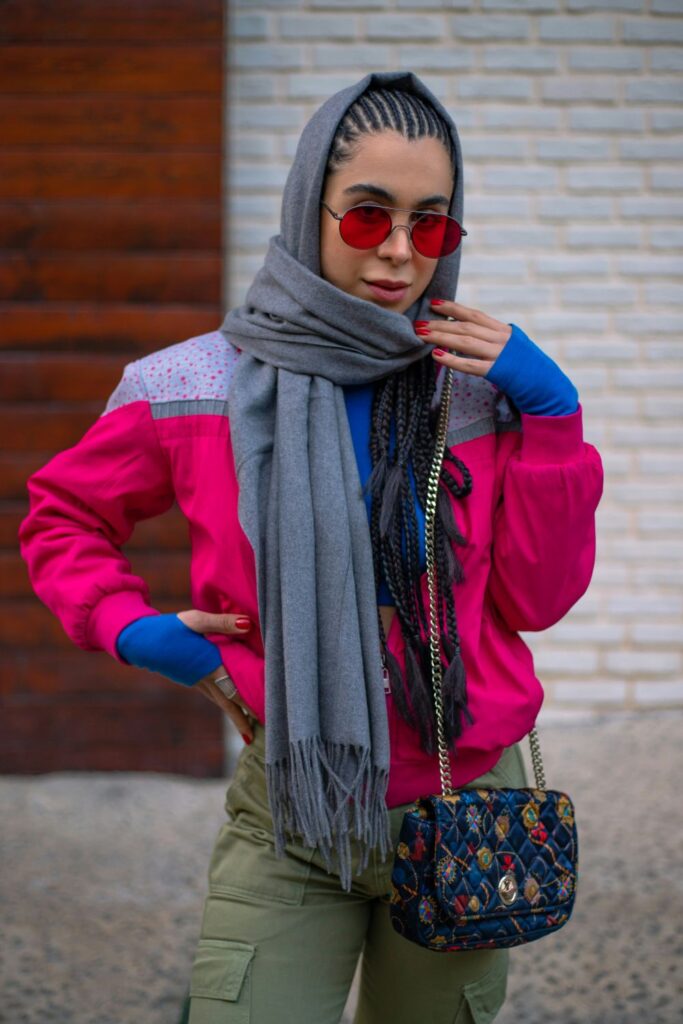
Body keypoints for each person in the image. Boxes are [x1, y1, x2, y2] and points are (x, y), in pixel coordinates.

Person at [18, 71, 604, 1024]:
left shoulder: (481, 393)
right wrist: (139, 630)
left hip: (464, 802)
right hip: (293, 801)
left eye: (434, 225)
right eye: (369, 218)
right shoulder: (196, 384)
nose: (403, 254)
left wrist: (554, 414)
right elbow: (62, 518)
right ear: (309, 205)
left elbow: (537, 600)